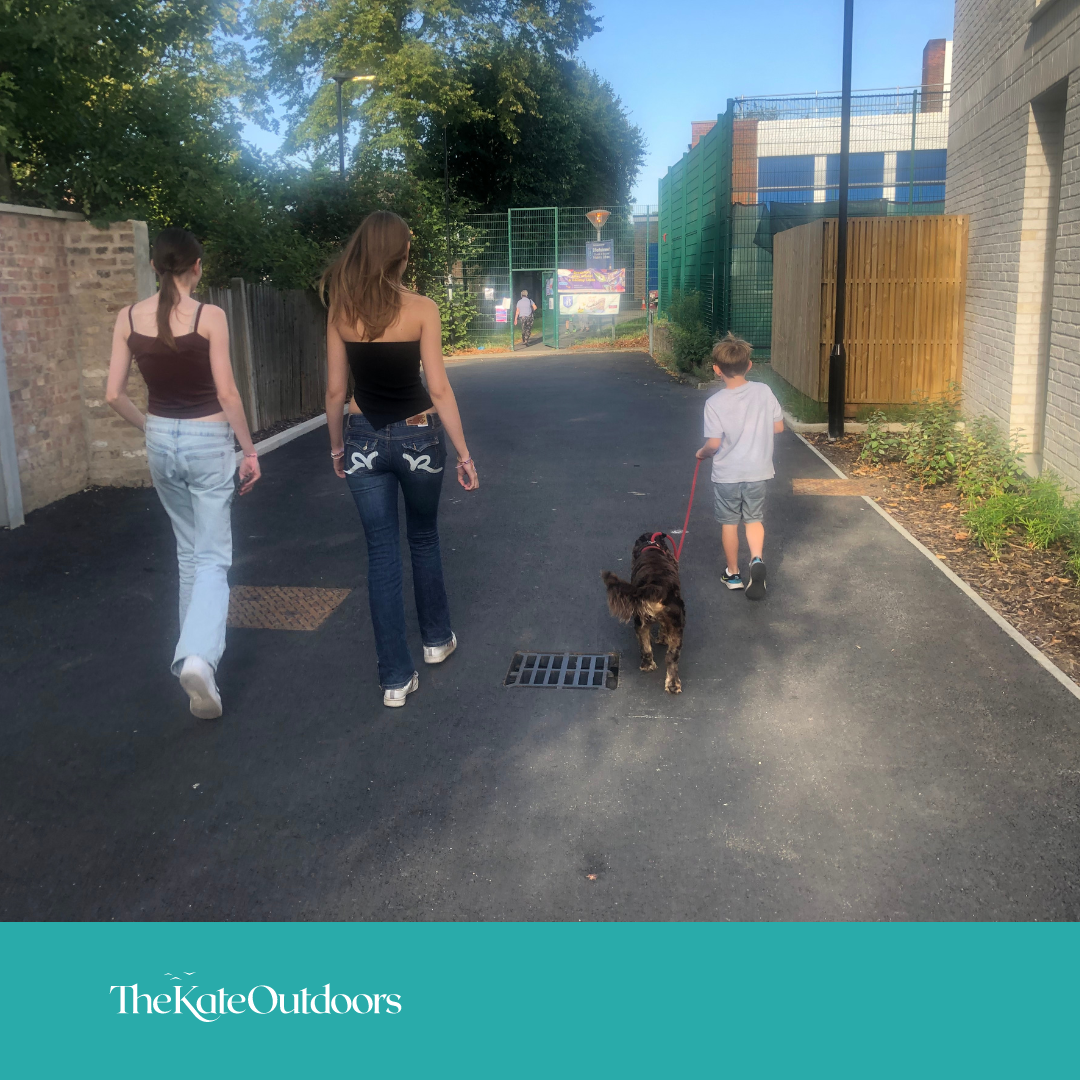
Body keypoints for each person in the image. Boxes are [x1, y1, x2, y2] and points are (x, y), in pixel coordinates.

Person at [323, 211, 479, 708]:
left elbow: (334, 390)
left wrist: (336, 447)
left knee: (381, 554)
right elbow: (437, 386)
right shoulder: (422, 310)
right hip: (418, 438)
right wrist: (463, 452)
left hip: (363, 439)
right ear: (401, 253)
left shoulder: (340, 311)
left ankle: (394, 678)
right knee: (425, 536)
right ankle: (436, 641)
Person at [106, 228, 261, 719]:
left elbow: (113, 394)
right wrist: (249, 448)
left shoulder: (128, 317)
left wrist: (150, 426)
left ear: (155, 268)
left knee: (189, 554)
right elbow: (229, 394)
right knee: (214, 558)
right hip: (208, 442)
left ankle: (194, 666)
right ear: (197, 267)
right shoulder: (209, 316)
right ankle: (198, 657)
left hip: (160, 442)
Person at [695, 333, 783, 601]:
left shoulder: (715, 403)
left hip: (727, 475)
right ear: (749, 366)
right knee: (754, 519)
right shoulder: (763, 392)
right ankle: (756, 560)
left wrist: (701, 454)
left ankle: (732, 574)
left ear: (716, 370)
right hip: (758, 471)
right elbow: (778, 427)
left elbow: (713, 443)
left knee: (729, 522)